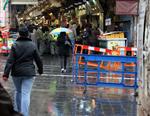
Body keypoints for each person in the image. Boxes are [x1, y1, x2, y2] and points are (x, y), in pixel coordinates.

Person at [2, 26, 43, 116]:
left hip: (16, 73)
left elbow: (10, 60)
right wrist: (40, 70)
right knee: (25, 93)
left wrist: (6, 74)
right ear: (28, 34)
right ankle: (24, 114)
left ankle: (17, 110)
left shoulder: (15, 45)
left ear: (19, 34)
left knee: (18, 91)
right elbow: (38, 59)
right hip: (29, 73)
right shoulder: (32, 45)